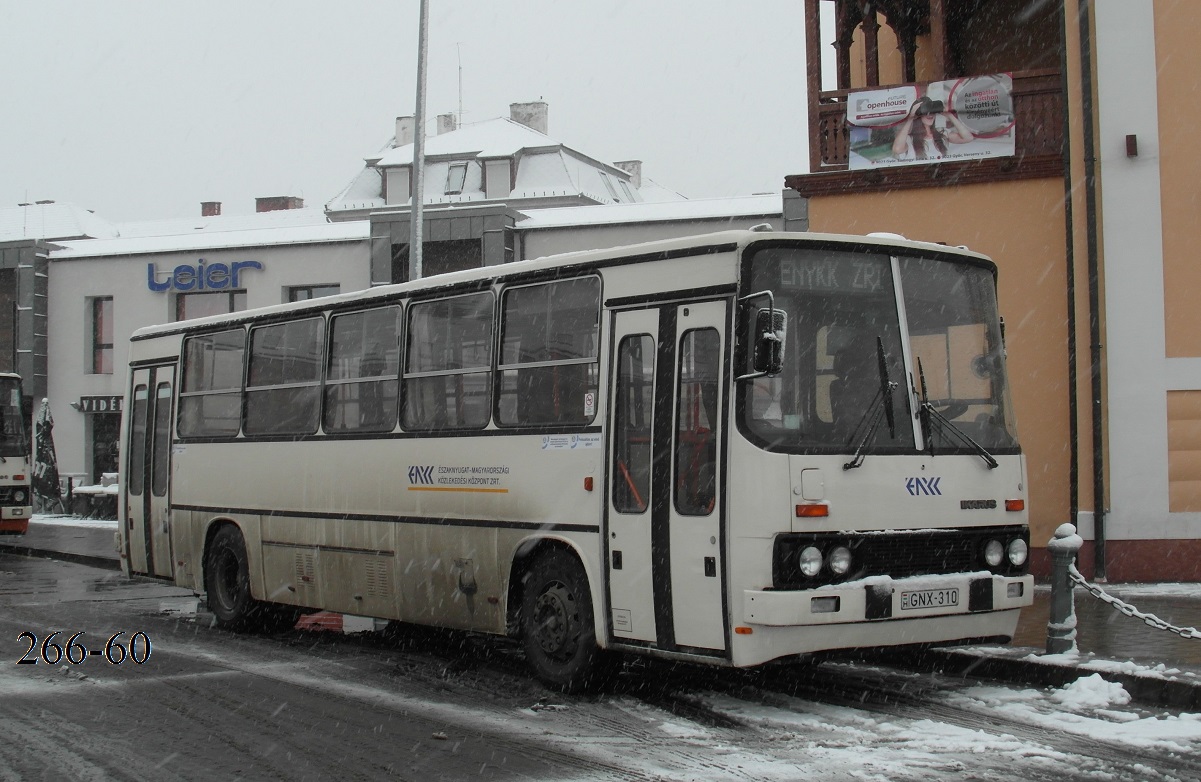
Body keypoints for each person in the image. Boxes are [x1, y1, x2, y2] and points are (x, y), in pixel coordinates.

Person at [891, 96, 975, 161]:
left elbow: (968, 138)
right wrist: (911, 117)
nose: (930, 114)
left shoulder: (942, 132)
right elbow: (897, 149)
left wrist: (949, 115)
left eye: (932, 111)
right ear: (918, 115)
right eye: (926, 111)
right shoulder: (909, 139)